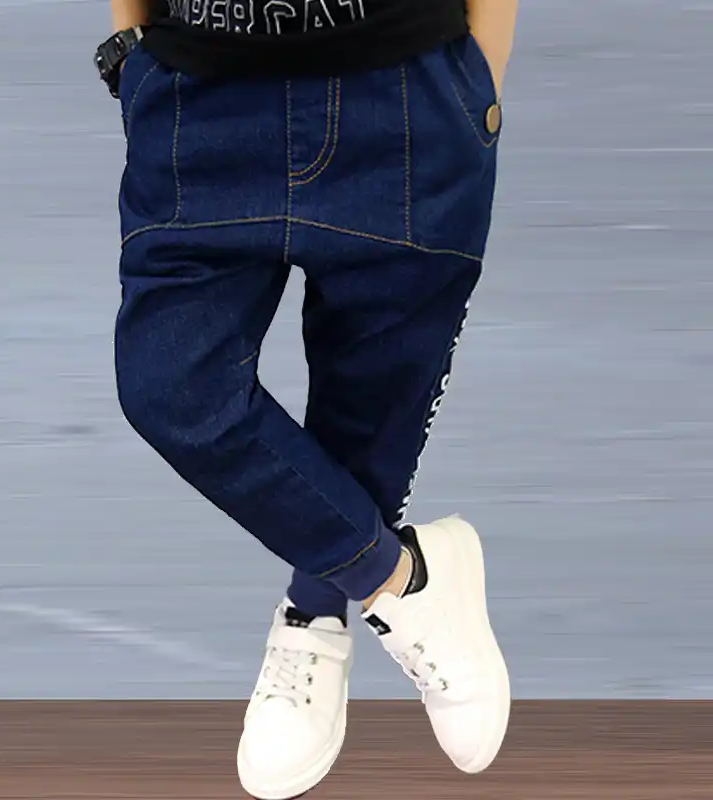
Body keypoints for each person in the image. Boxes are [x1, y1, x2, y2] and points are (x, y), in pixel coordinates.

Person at [95, 1, 518, 797]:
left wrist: (480, 85)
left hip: (405, 85)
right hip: (201, 86)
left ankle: (313, 616)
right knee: (171, 387)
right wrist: (131, 51)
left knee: (371, 406)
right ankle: (401, 584)